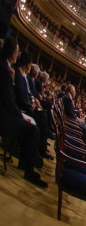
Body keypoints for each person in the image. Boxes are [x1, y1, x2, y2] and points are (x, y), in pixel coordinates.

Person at [0, 38, 47, 187]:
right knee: (33, 130)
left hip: (7, 110)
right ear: (13, 53)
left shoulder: (7, 68)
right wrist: (21, 116)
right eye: (17, 51)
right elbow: (9, 99)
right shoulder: (5, 69)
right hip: (3, 115)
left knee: (34, 125)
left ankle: (27, 161)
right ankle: (28, 170)